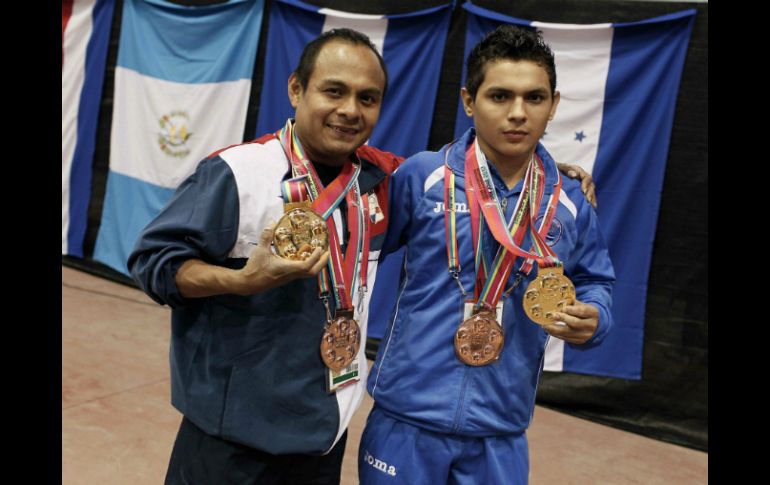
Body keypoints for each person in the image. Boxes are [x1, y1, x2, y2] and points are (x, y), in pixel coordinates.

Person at [128, 26, 596, 485]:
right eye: (334, 91)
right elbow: (155, 263)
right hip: (229, 439)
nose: (349, 110)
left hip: (320, 436)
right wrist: (242, 280)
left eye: (367, 98)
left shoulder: (382, 181)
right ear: (296, 89)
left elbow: (471, 182)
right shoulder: (239, 172)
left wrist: (543, 173)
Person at [359, 25, 615, 484]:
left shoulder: (569, 201)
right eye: (500, 96)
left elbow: (596, 281)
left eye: (534, 98)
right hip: (406, 420)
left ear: (554, 105)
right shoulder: (423, 178)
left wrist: (596, 317)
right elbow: (357, 246)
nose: (517, 113)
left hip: (500, 430)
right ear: (468, 101)